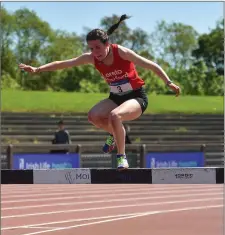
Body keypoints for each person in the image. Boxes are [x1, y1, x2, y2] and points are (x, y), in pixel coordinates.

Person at [19, 14, 180, 171]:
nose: (96, 52)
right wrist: (38, 69)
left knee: (115, 116)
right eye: (92, 48)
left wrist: (169, 82)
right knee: (93, 116)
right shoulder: (91, 58)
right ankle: (114, 134)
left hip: (136, 97)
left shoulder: (121, 52)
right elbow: (64, 63)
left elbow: (151, 65)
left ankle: (121, 157)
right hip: (116, 97)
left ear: (107, 43)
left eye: (98, 47)